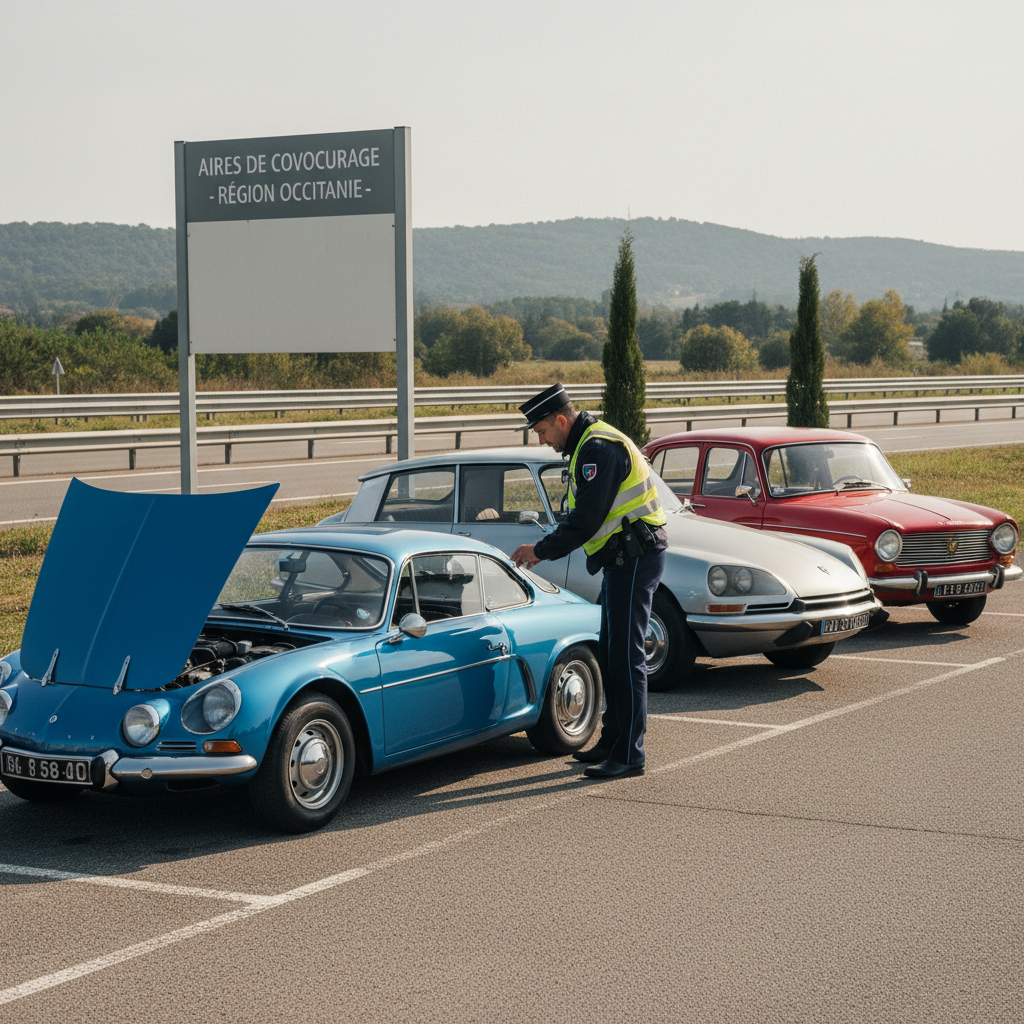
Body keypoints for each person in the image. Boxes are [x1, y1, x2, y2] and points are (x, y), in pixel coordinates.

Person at [510, 383, 668, 778]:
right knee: (612, 650)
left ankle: (630, 753)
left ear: (561, 420)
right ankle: (613, 739)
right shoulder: (586, 445)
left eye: (544, 431)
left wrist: (540, 550)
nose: (544, 440)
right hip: (621, 559)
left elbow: (586, 521)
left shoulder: (597, 449)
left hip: (635, 556)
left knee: (627, 656)